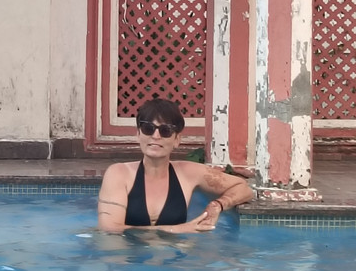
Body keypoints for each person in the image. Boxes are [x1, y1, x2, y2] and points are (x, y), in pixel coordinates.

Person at [97, 98, 253, 233]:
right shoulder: (118, 174)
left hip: (173, 255)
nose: (155, 136)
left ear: (177, 139)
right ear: (138, 134)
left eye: (165, 130)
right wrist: (176, 229)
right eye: (148, 128)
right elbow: (110, 229)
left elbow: (243, 188)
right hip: (127, 255)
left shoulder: (188, 173)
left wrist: (217, 205)